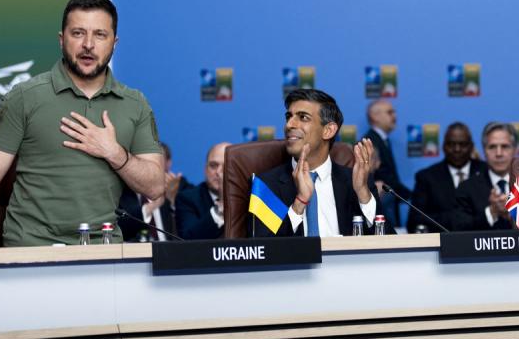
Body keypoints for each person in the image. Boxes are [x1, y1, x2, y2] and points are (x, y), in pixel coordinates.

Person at [0, 0, 165, 247]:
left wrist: (114, 152)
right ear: (62, 40)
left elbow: (155, 187)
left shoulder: (135, 104)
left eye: (100, 35)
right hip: (31, 248)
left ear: (114, 43)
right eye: (78, 33)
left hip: (103, 250)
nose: (88, 45)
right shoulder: (24, 97)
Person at [252, 89, 388, 237]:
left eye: (303, 117)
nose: (289, 124)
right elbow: (262, 251)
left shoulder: (357, 183)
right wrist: (300, 202)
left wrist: (363, 194)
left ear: (328, 130)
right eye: (288, 117)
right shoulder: (266, 186)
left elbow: (388, 246)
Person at [408, 122, 478, 233]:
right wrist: (454, 219)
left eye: (462, 144)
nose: (457, 149)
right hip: (442, 243)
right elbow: (415, 220)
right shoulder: (426, 177)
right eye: (451, 144)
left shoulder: (485, 171)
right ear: (443, 146)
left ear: (471, 146)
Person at [454, 122, 517, 231]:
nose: (499, 153)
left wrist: (516, 213)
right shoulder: (467, 189)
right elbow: (460, 230)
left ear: (515, 150)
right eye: (492, 147)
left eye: (505, 146)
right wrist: (492, 211)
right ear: (484, 151)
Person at [118, 142, 187, 242]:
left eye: (155, 162)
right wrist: (150, 207)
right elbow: (118, 230)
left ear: (167, 164)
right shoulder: (120, 193)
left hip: (171, 254)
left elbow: (187, 233)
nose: (147, 167)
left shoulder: (181, 187)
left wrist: (172, 201)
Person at [364, 99, 410, 225]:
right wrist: (411, 195)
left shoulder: (383, 141)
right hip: (380, 212)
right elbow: (383, 176)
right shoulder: (369, 142)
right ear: (375, 116)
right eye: (390, 112)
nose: (394, 116)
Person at [175, 142, 231, 239]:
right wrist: (220, 209)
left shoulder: (250, 198)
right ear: (205, 169)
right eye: (213, 166)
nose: (218, 172)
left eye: (226, 166)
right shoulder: (187, 199)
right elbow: (188, 241)